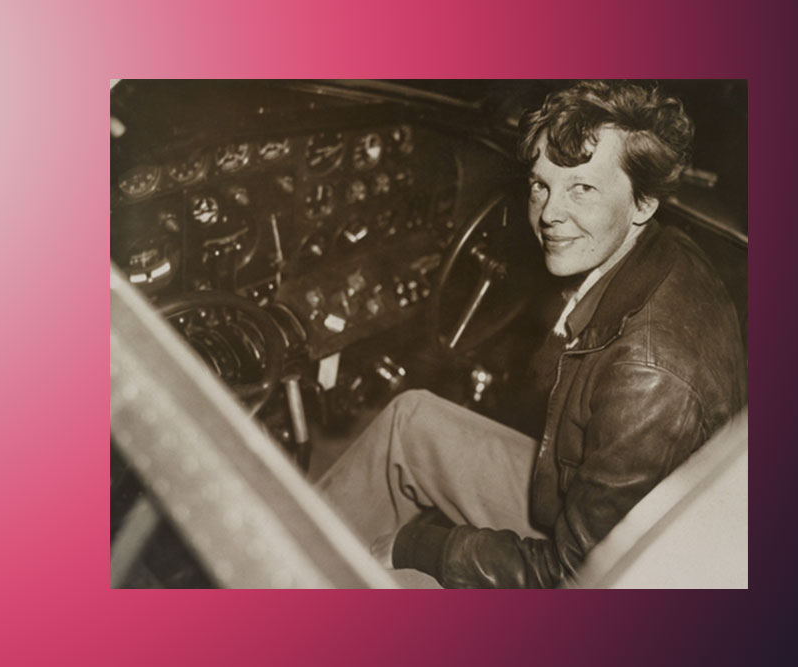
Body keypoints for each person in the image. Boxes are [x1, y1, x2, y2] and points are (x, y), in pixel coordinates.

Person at [317, 80, 746, 588]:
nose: (549, 213)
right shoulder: (659, 250)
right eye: (541, 185)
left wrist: (420, 547)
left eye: (582, 189)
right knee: (409, 421)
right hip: (587, 506)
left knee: (396, 581)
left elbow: (573, 576)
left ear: (643, 202)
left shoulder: (648, 377)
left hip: (626, 583)